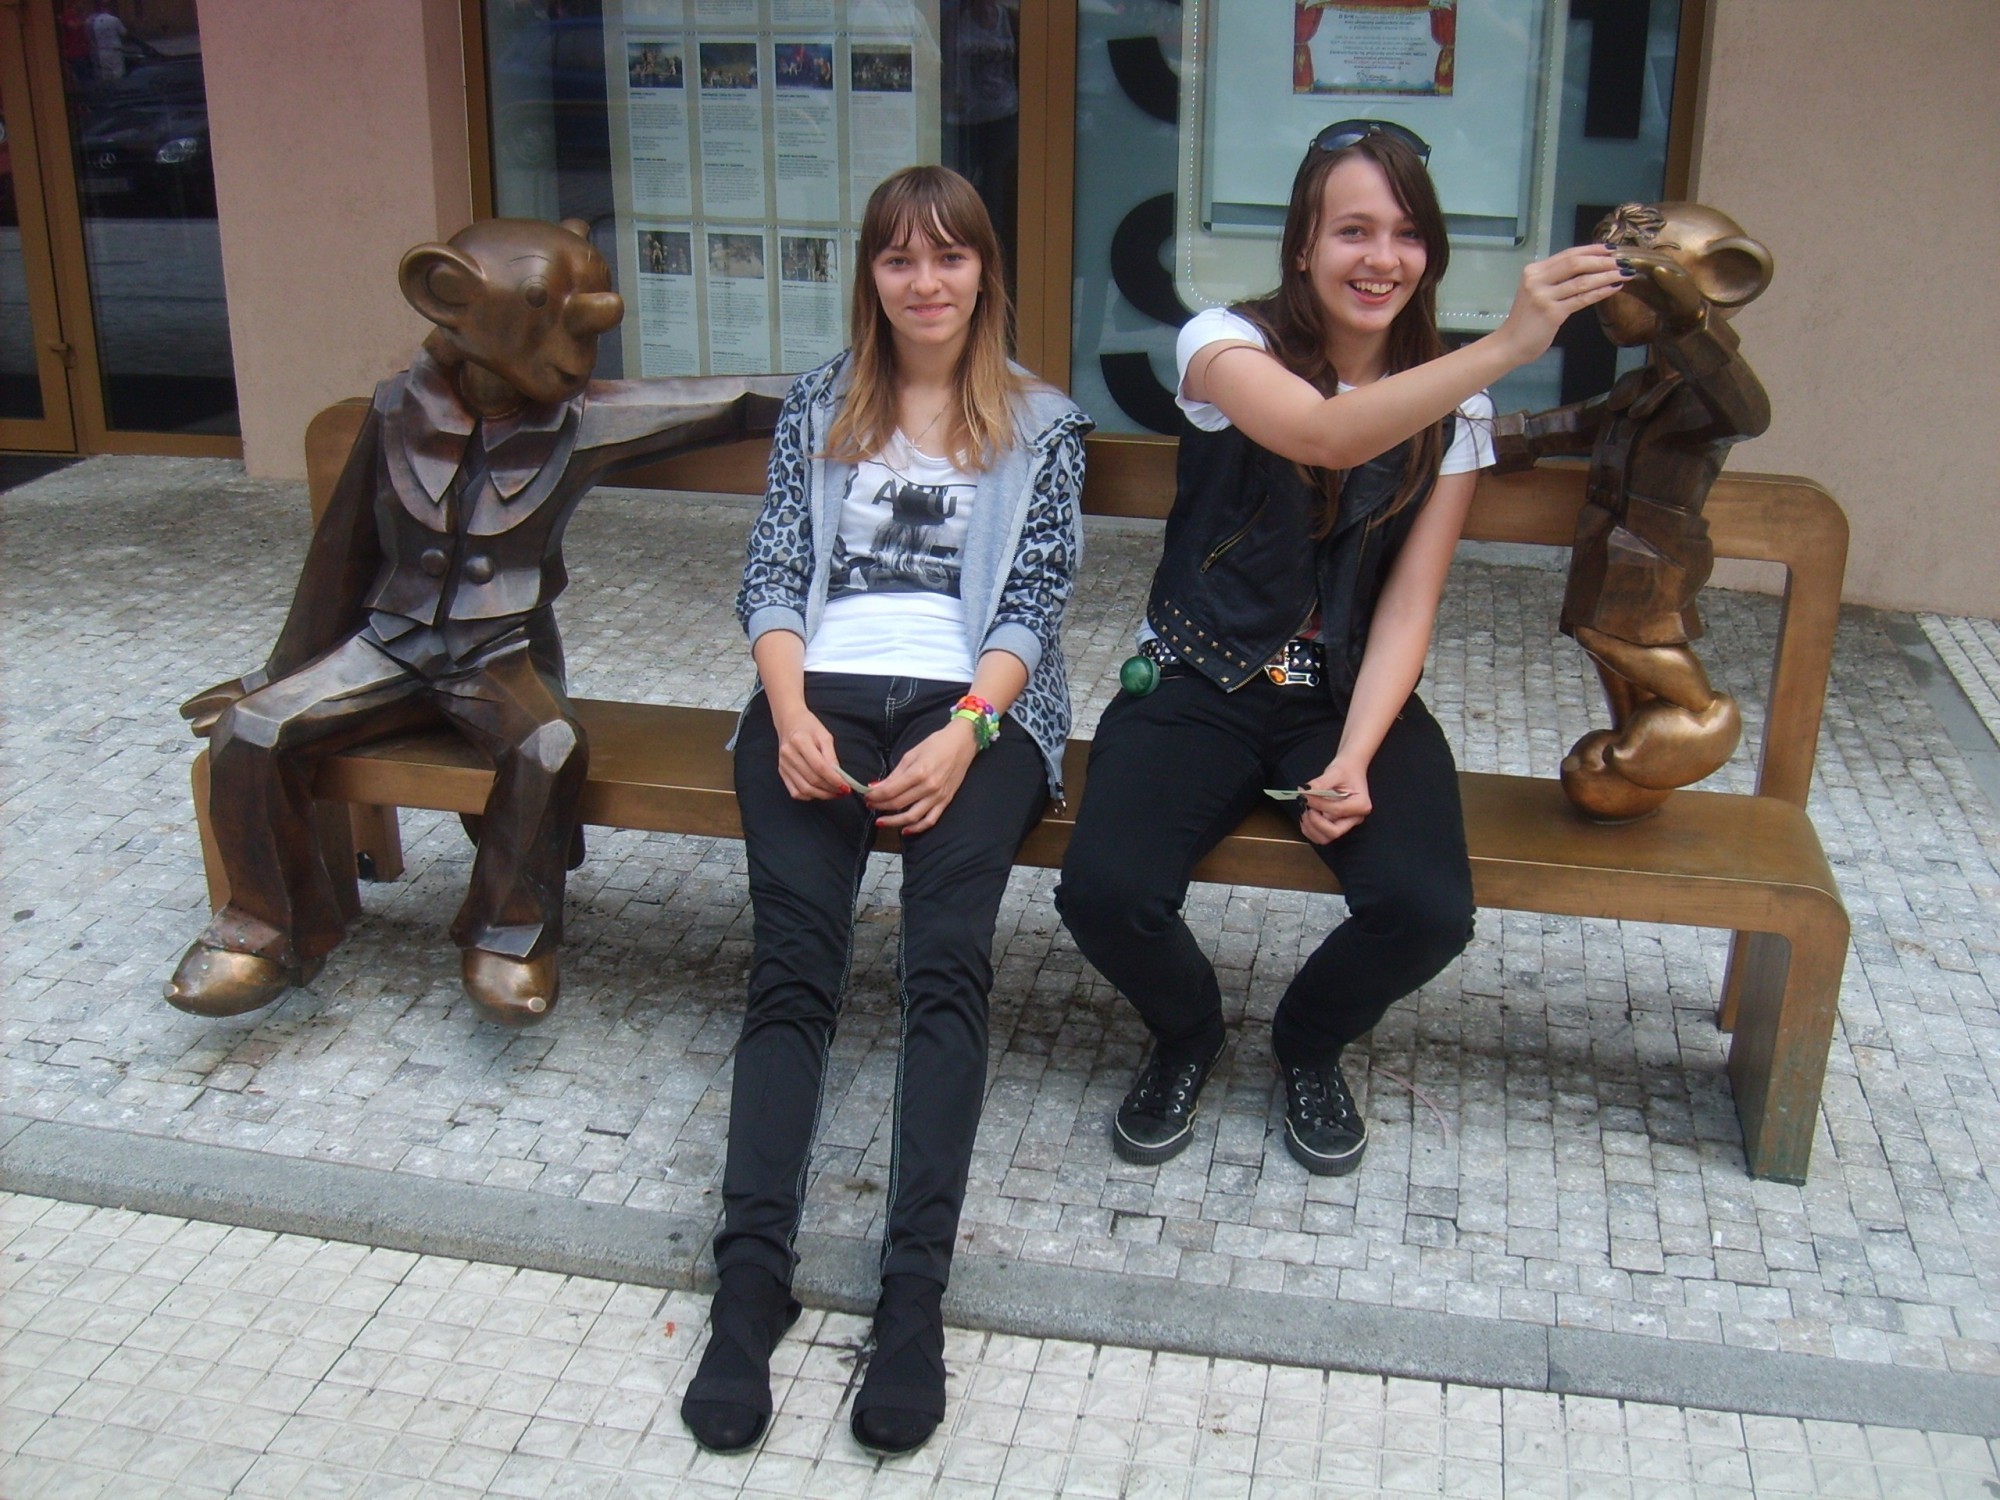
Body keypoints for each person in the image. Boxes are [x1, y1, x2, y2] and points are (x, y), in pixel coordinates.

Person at [1056, 120, 1628, 1179]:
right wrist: (1507, 345)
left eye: (1406, 234)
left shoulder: (1455, 406)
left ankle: (1308, 1043)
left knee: (1426, 911)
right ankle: (1188, 1033)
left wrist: (1356, 756)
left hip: (1342, 692)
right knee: (1104, 892)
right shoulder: (1221, 343)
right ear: (1303, 246)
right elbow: (1321, 433)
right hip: (1197, 672)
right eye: (1352, 230)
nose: (1380, 259)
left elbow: (1408, 604)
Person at [680, 165, 1091, 1457]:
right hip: (820, 696)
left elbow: (1033, 601)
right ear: (870, 273)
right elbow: (772, 573)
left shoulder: (1042, 424)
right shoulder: (821, 404)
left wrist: (967, 734)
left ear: (983, 272)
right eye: (900, 257)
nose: (925, 281)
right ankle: (751, 1285)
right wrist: (788, 713)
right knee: (792, 965)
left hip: (977, 708)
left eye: (949, 256)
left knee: (944, 963)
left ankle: (912, 1301)